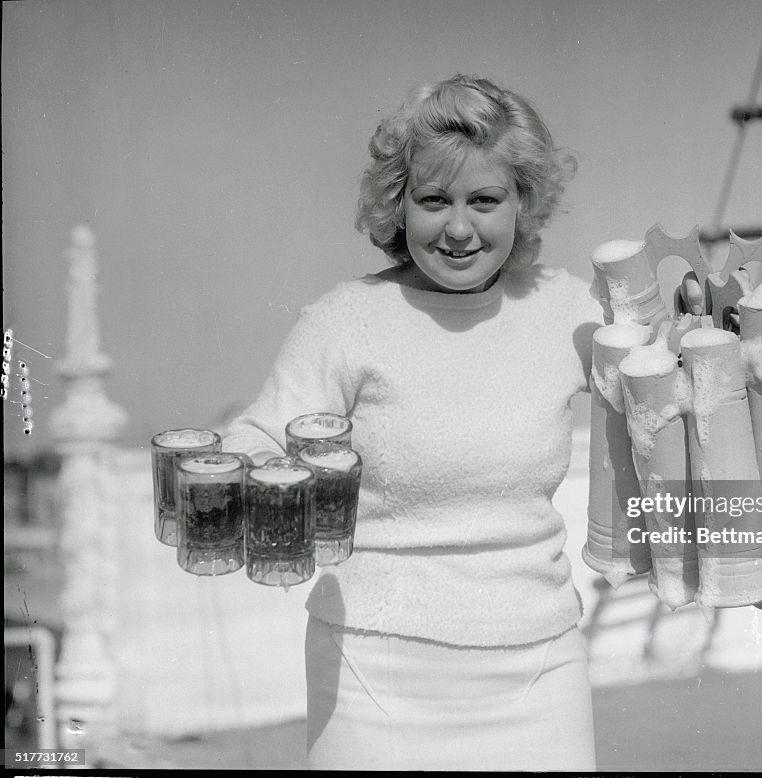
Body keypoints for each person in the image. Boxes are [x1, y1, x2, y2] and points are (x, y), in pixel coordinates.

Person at [222, 74, 604, 771]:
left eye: (485, 200)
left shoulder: (568, 309)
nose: (459, 228)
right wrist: (248, 483)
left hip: (539, 668)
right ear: (399, 206)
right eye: (434, 200)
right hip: (374, 671)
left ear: (524, 203)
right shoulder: (344, 320)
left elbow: (664, 391)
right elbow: (257, 438)